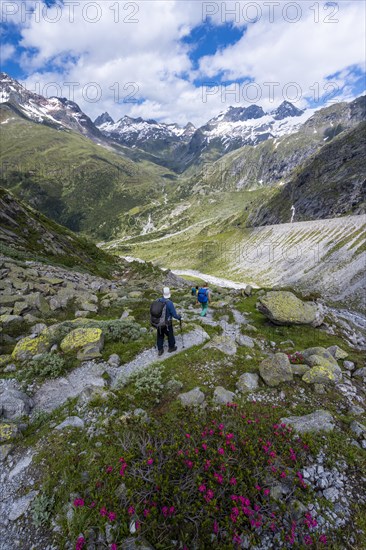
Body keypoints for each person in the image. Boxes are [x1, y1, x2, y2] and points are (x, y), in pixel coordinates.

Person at [156, 287, 182, 356]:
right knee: (170, 335)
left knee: (160, 336)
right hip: (167, 323)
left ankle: (160, 350)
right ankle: (171, 348)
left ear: (163, 293)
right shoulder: (169, 303)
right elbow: (174, 315)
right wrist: (179, 317)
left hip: (159, 322)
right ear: (169, 293)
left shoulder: (157, 300)